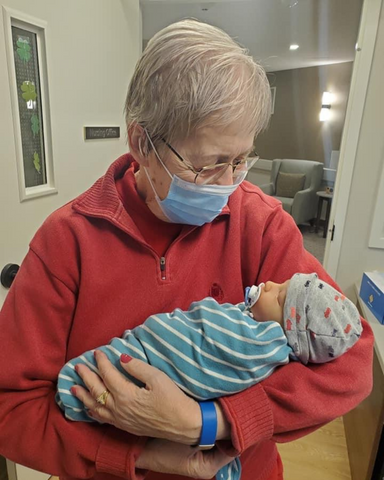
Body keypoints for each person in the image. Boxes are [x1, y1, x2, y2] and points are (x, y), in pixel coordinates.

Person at [0, 19, 374, 480]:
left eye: (241, 160)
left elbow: (351, 360)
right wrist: (137, 454)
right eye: (210, 165)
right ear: (142, 143)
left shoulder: (259, 223)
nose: (230, 183)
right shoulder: (66, 243)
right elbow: (12, 408)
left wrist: (207, 422)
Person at [57, 272, 362, 480]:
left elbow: (203, 335)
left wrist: (209, 420)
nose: (269, 284)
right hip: (113, 459)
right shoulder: (69, 235)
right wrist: (135, 454)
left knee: (100, 376)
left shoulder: (262, 342)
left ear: (288, 333)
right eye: (281, 284)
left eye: (281, 298)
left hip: (154, 363)